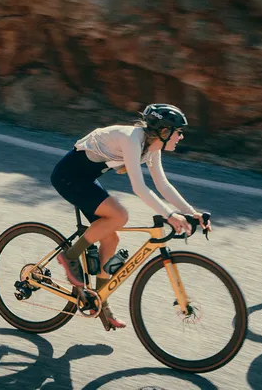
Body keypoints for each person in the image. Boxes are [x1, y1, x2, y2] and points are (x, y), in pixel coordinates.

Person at [51, 103, 212, 330]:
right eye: (179, 132)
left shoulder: (151, 148)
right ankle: (70, 256)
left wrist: (190, 212)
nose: (181, 136)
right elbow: (139, 187)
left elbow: (162, 185)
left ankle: (100, 304)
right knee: (120, 215)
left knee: (111, 238)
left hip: (84, 180)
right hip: (68, 177)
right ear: (164, 132)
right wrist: (170, 215)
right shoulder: (132, 139)